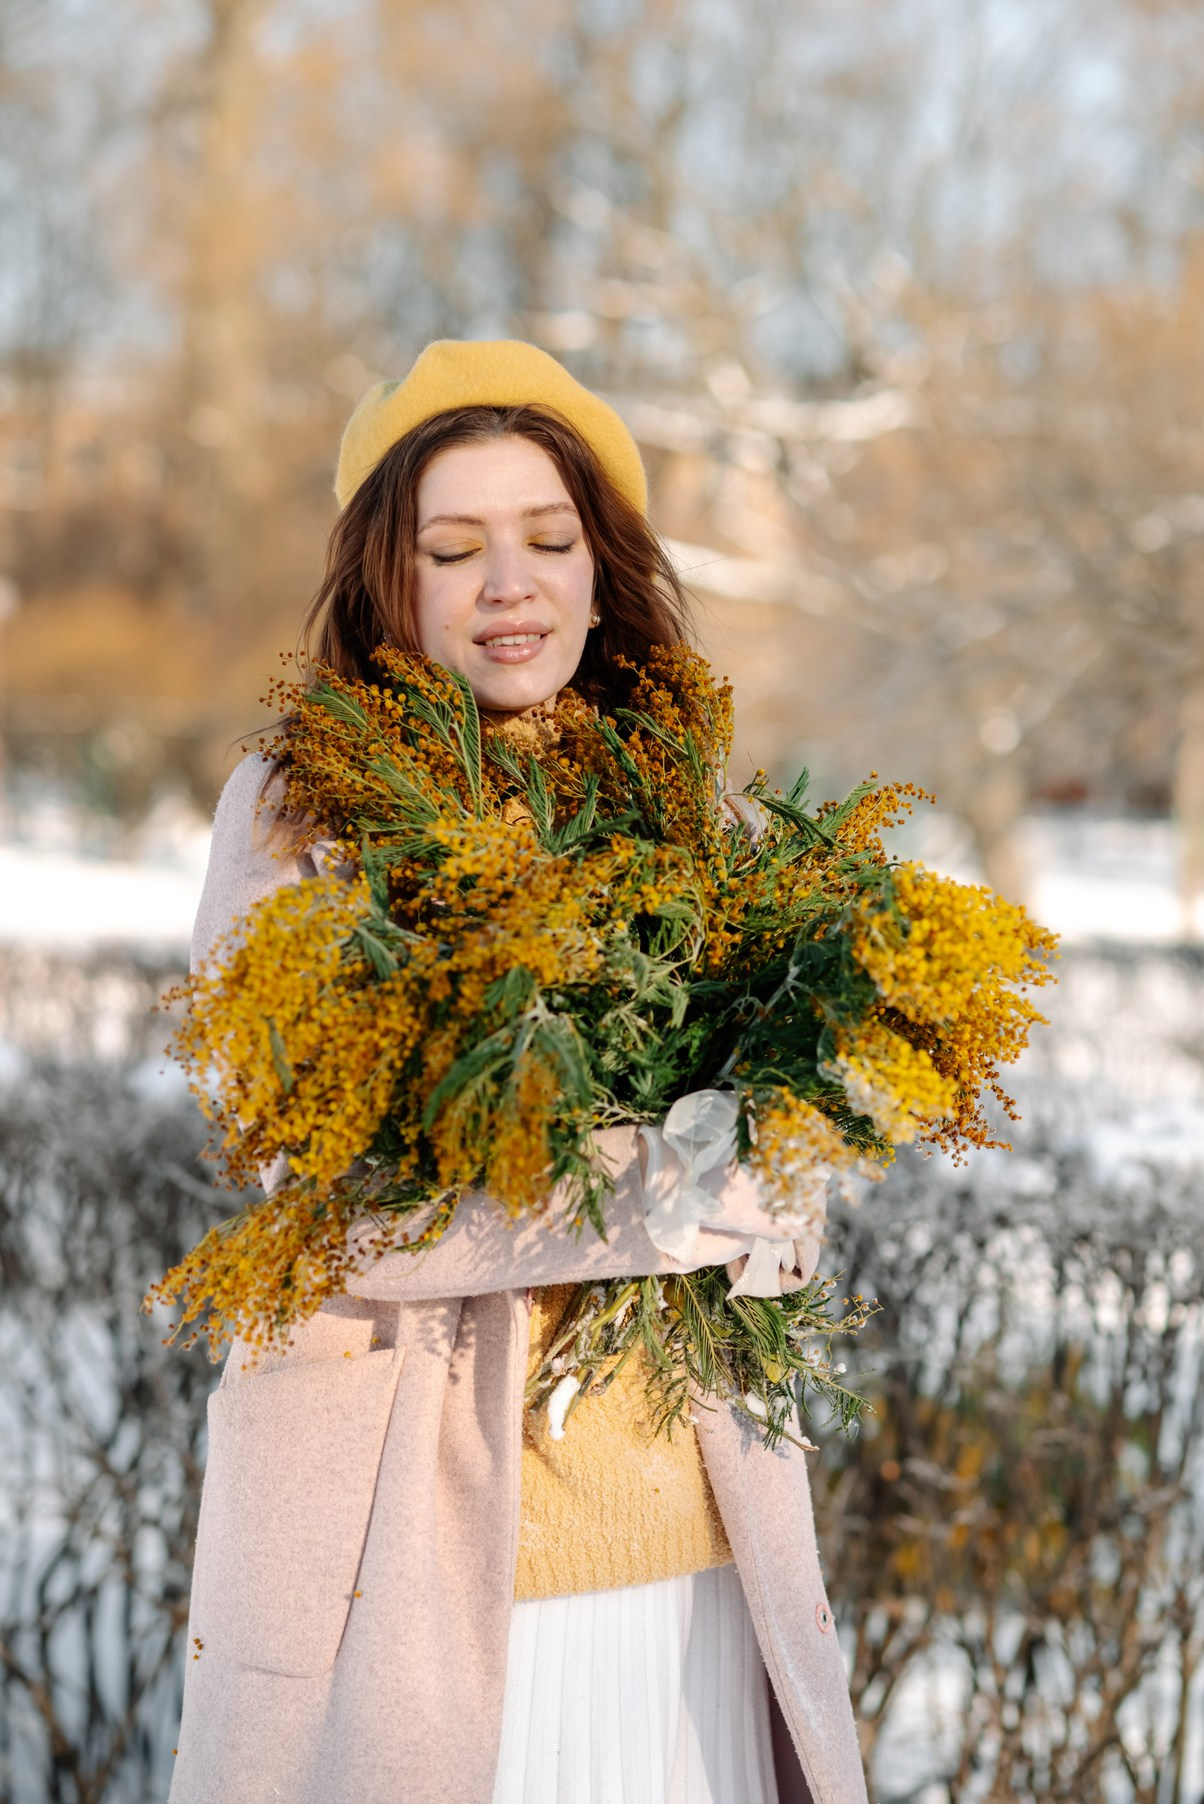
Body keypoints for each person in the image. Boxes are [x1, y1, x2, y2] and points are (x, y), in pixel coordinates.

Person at [169, 340, 868, 1804]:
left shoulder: (702, 815)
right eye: (456, 546)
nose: (512, 583)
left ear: (603, 568)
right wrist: (657, 1194)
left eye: (550, 539)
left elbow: (782, 1178)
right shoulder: (304, 815)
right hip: (421, 1583)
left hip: (693, 1571)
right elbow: (336, 1191)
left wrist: (782, 1176)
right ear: (390, 578)